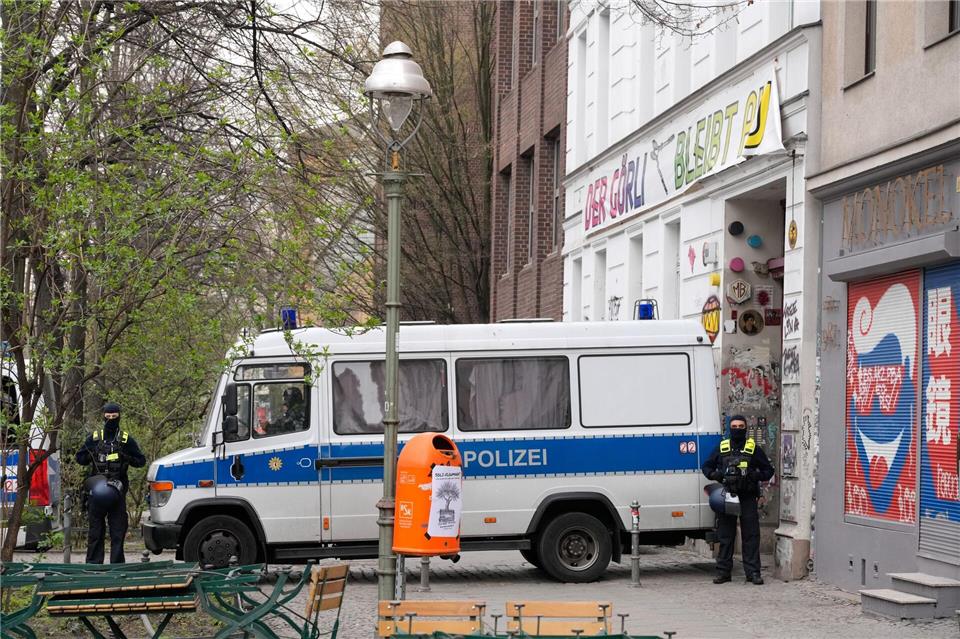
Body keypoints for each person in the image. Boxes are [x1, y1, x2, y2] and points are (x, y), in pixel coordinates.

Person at [701, 414, 775, 585]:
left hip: (748, 496)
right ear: (729, 429)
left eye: (740, 427)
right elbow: (706, 466)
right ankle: (724, 572)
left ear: (746, 428)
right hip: (728, 495)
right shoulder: (722, 447)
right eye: (734, 427)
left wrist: (755, 475)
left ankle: (753, 573)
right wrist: (716, 475)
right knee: (726, 536)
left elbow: (768, 470)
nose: (737, 430)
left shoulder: (753, 448)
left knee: (751, 535)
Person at [76, 402, 146, 563]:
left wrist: (127, 457)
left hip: (117, 492)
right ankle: (94, 566)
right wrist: (90, 455)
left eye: (114, 417)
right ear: (103, 417)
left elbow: (141, 461)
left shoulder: (125, 440)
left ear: (119, 416)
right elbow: (79, 458)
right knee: (95, 531)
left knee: (118, 531)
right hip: (96, 492)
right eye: (108, 417)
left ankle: (117, 565)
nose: (111, 420)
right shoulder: (94, 438)